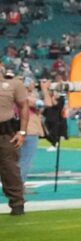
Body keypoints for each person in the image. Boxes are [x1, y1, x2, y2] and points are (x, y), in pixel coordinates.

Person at [0, 62, 32, 215]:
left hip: (6, 134)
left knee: (10, 170)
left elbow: (24, 106)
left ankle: (17, 204)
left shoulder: (14, 84)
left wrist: (22, 132)